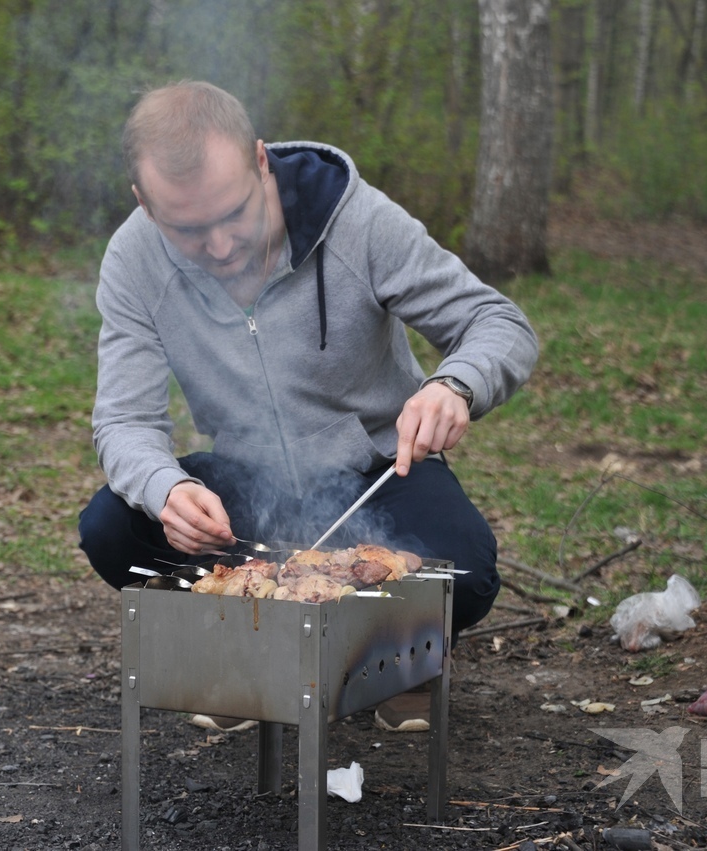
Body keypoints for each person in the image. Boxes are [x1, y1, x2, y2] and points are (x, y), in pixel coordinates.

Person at [78, 81, 539, 732]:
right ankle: (242, 655)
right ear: (144, 204)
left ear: (260, 162)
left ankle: (395, 663)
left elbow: (498, 323)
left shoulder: (356, 220)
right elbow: (124, 420)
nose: (218, 246)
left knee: (465, 573)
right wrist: (165, 487)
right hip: (245, 483)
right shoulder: (132, 260)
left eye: (233, 213)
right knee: (110, 529)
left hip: (379, 473)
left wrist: (455, 384)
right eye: (187, 228)